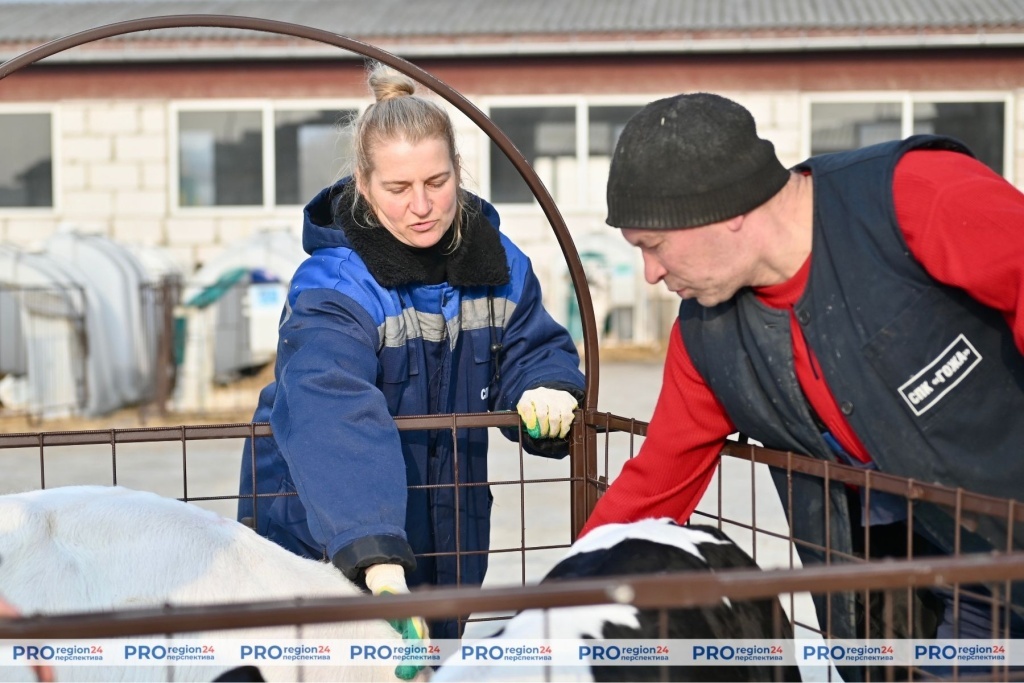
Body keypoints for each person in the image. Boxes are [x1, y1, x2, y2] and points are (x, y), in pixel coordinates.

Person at [581, 92, 1024, 646]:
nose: (649, 272)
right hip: (956, 590)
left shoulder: (915, 194)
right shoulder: (707, 336)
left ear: (726, 210)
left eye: (655, 245)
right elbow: (655, 483)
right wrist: (558, 603)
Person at [237, 64, 584, 647]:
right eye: (398, 189)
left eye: (437, 181)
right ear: (363, 184)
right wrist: (371, 552)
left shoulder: (499, 266)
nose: (421, 205)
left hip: (449, 529)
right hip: (326, 535)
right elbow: (330, 402)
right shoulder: (335, 286)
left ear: (458, 171)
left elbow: (531, 345)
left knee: (431, 657)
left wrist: (544, 384)